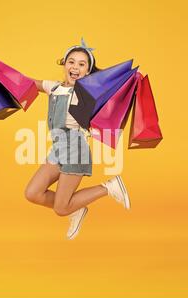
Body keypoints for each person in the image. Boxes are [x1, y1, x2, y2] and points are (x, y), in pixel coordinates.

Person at [25, 38, 131, 240]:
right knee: (33, 192)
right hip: (58, 149)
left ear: (88, 72)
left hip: (75, 150)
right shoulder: (54, 87)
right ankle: (76, 208)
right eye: (71, 62)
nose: (75, 67)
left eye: (82, 64)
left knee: (60, 209)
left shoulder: (87, 93)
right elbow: (27, 82)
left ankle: (109, 187)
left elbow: (115, 89)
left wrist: (132, 80)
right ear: (64, 64)